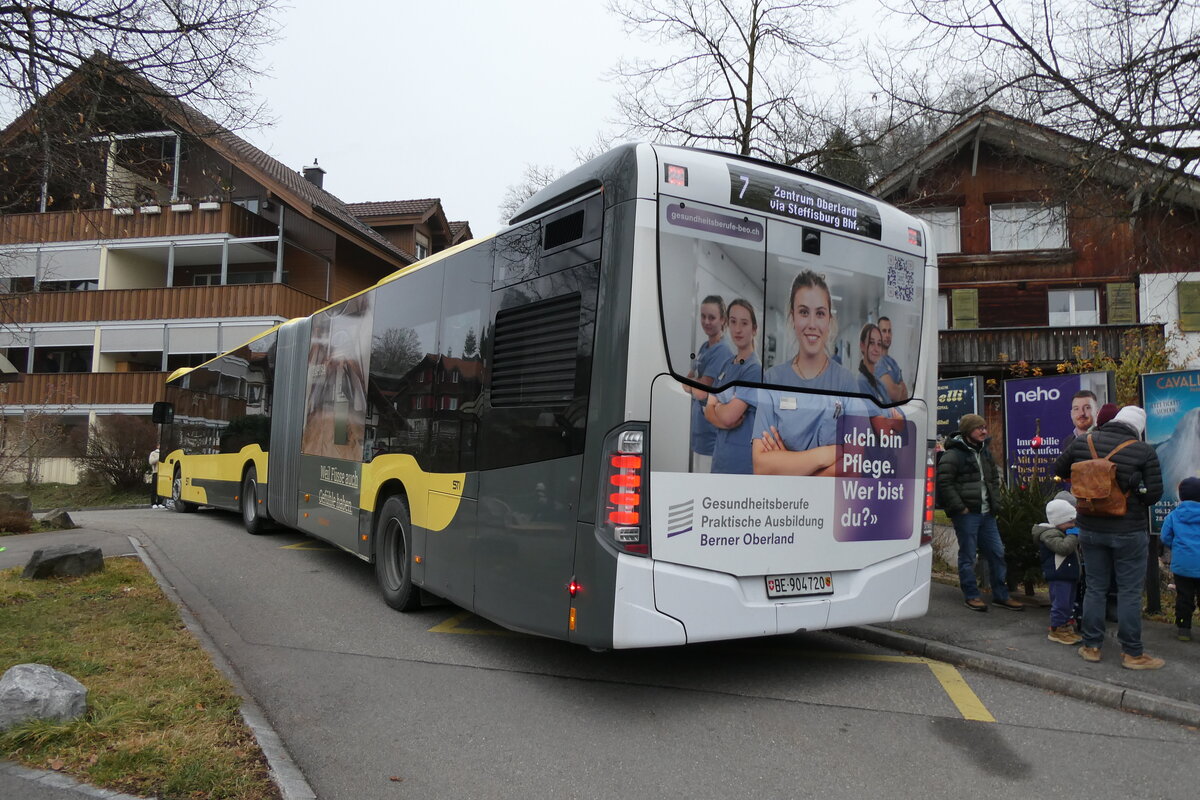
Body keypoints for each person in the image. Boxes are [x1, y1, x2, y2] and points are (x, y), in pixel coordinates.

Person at [1054, 405, 1165, 669]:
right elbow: (1153, 496)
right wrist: (1135, 486)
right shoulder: (1143, 450)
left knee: (1095, 587)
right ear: (1137, 427)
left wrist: (1086, 481)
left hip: (1090, 529)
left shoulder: (1084, 441)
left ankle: (1091, 647)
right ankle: (1132, 654)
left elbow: (1059, 469)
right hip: (1128, 530)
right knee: (1128, 592)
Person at [753, 270, 861, 476]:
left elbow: (854, 463)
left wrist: (787, 463)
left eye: (820, 313)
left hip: (830, 505)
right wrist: (828, 454)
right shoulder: (773, 380)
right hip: (784, 505)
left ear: (829, 319)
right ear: (792, 317)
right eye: (804, 312)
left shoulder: (846, 383)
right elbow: (761, 464)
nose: (812, 324)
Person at [937, 413, 1024, 612]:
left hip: (987, 513)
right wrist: (960, 508)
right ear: (968, 431)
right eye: (979, 428)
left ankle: (1001, 595)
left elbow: (993, 479)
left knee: (997, 552)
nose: (984, 431)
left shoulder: (984, 452)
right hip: (967, 514)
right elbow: (944, 482)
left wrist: (996, 502)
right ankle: (971, 595)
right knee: (968, 555)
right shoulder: (953, 455)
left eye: (985, 427)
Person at [704, 299, 761, 475]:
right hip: (720, 458)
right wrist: (720, 410)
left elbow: (729, 417)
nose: (737, 329)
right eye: (733, 322)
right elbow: (707, 410)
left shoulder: (754, 370)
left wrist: (718, 407)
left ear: (754, 329)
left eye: (744, 323)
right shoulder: (726, 365)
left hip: (741, 463)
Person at [683, 295, 733, 473]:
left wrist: (692, 384)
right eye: (703, 316)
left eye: (712, 317)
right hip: (699, 432)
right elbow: (689, 379)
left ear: (723, 320)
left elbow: (701, 392)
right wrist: (692, 384)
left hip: (711, 438)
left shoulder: (722, 351)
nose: (706, 321)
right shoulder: (705, 347)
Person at [1032, 498, 1082, 644]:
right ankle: (1057, 629)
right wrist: (1074, 534)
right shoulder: (1049, 534)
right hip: (1059, 575)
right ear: (1058, 521)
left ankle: (1066, 627)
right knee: (1060, 603)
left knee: (1068, 603)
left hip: (1068, 574)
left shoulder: (1063, 532)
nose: (1073, 525)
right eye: (1070, 522)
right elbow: (1063, 548)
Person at [1161, 476, 1200, 642]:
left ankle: (1184, 629)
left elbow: (1165, 537)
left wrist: (1177, 548)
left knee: (1184, 597)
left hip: (1182, 565)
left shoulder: (1174, 515)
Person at [875, 316, 908, 402]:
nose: (887, 335)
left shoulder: (893, 363)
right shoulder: (876, 361)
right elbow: (893, 393)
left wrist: (897, 389)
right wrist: (898, 387)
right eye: (884, 331)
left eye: (889, 331)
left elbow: (905, 395)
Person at [856, 323, 890, 406]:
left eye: (879, 344)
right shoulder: (861, 383)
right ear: (862, 346)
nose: (876, 349)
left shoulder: (878, 382)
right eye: (871, 343)